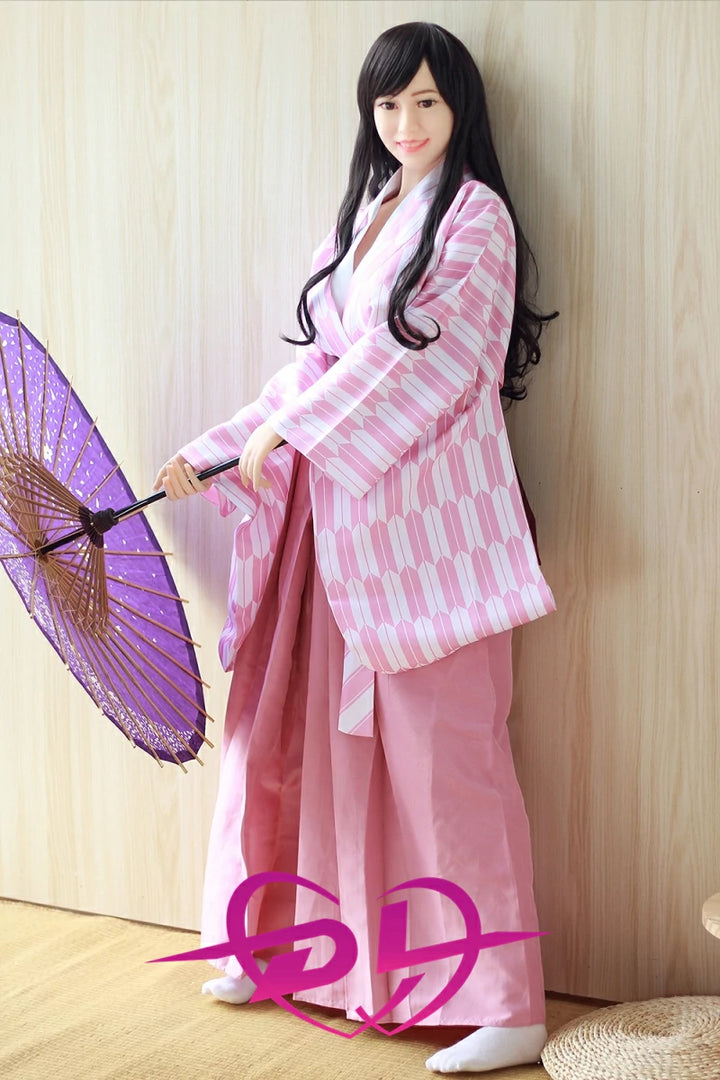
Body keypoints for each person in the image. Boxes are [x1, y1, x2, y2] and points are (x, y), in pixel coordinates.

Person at [154, 21, 557, 1074]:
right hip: (330, 523)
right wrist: (224, 445)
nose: (405, 122)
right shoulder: (372, 211)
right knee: (294, 739)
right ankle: (284, 948)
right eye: (388, 104)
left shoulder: (477, 218)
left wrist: (301, 428)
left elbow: (427, 365)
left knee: (445, 759)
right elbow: (319, 364)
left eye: (426, 101)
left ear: (459, 107)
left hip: (431, 531)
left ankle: (508, 1002)